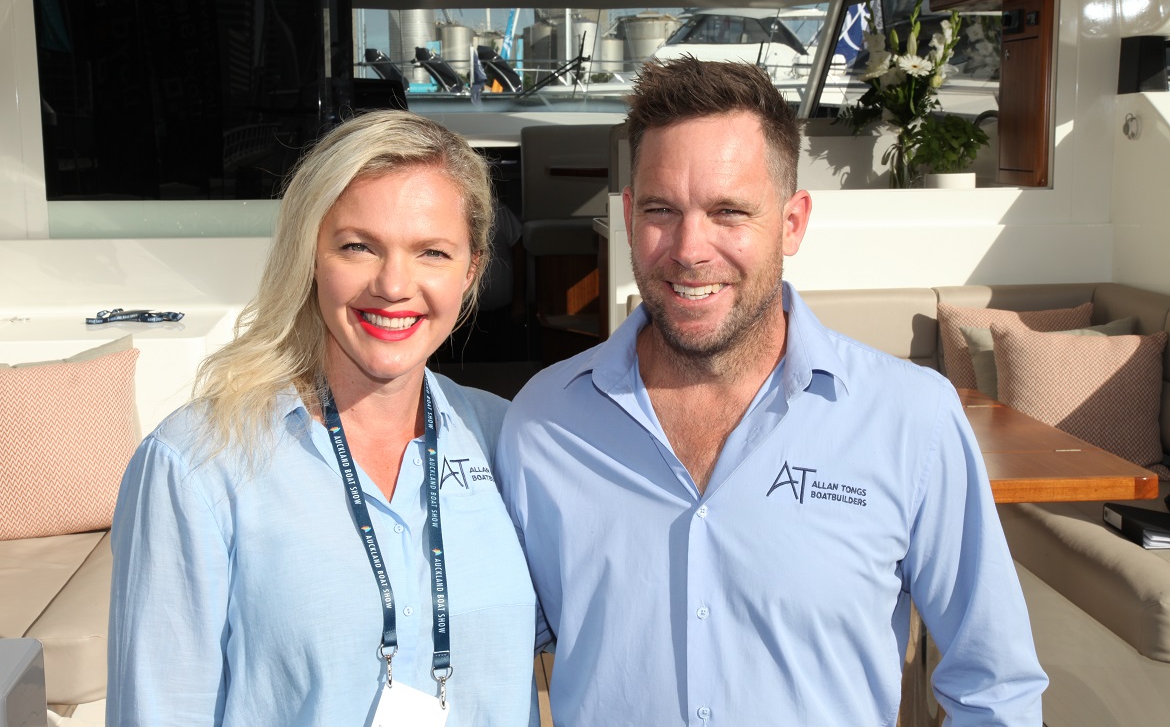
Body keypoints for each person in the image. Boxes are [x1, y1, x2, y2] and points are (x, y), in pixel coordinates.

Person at [496, 57, 1048, 726]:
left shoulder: (912, 420)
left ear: (792, 223)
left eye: (729, 211)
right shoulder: (542, 424)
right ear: (628, 214)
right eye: (662, 210)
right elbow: (492, 661)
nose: (690, 249)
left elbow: (995, 688)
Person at [108, 110, 538, 726]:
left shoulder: (511, 443)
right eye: (358, 246)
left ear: (471, 271)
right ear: (310, 256)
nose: (394, 285)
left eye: (432, 252)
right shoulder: (198, 465)